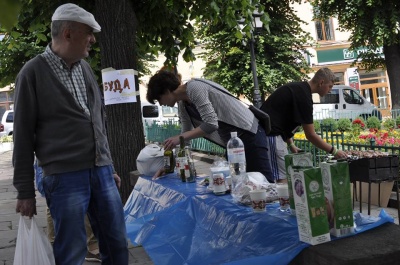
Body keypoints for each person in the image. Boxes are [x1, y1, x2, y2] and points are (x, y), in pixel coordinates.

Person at [13, 3, 128, 265]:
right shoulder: (32, 73)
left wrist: (107, 163)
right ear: (67, 34)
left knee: (117, 243)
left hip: (100, 171)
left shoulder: (85, 68)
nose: (93, 39)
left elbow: (97, 121)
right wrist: (24, 191)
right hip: (64, 177)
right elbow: (22, 136)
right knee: (72, 251)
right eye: (88, 32)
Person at [146, 70, 274, 182]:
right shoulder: (182, 104)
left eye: (159, 99)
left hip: (250, 133)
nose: (161, 104)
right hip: (232, 143)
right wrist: (169, 166)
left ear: (167, 91)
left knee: (263, 182)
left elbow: (211, 123)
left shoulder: (194, 88)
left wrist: (180, 137)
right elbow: (185, 139)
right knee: (240, 185)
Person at [260, 67, 347, 182]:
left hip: (274, 135)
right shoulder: (304, 97)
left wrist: (291, 145)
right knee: (281, 180)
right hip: (271, 136)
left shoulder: (299, 89)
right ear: (321, 83)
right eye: (330, 86)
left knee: (284, 178)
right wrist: (334, 151)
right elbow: (310, 135)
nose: (330, 90)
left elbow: (284, 119)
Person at [34, 160, 101, 262]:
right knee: (54, 201)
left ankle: (90, 245)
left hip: (68, 160)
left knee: (78, 198)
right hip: (50, 162)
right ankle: (55, 246)